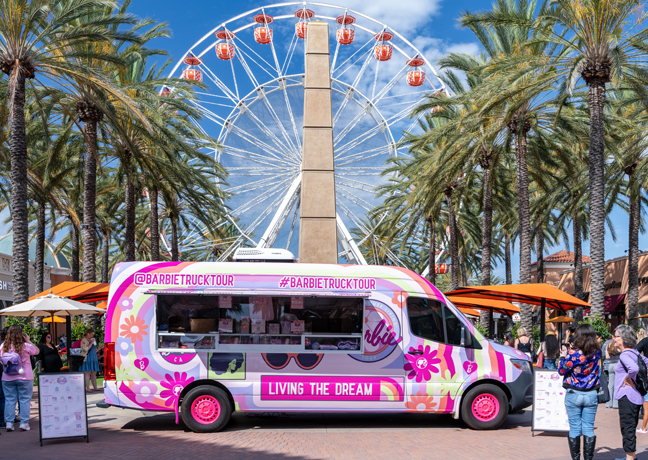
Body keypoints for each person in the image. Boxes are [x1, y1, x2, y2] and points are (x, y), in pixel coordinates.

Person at [559, 323, 601, 460]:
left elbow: (561, 370)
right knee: (588, 428)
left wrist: (562, 356)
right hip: (591, 393)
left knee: (575, 428)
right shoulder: (597, 352)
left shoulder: (574, 354)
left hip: (574, 393)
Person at [613, 325, 648, 460]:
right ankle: (630, 456)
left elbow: (633, 368)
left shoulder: (625, 355)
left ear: (623, 339)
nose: (614, 339)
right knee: (630, 427)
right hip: (636, 397)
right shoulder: (635, 353)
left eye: (616, 336)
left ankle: (630, 458)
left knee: (627, 428)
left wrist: (629, 377)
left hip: (627, 396)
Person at [0, 325, 39, 431]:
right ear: (20, 334)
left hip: (7, 377)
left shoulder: (4, 346)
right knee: (25, 400)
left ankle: (9, 423)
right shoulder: (25, 345)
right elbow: (37, 351)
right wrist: (29, 341)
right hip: (25, 377)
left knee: (9, 400)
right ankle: (24, 423)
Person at [606, 336, 621, 409]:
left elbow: (607, 357)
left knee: (610, 385)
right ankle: (615, 403)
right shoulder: (617, 345)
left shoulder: (608, 345)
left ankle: (608, 403)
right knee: (617, 385)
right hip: (617, 365)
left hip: (610, 365)